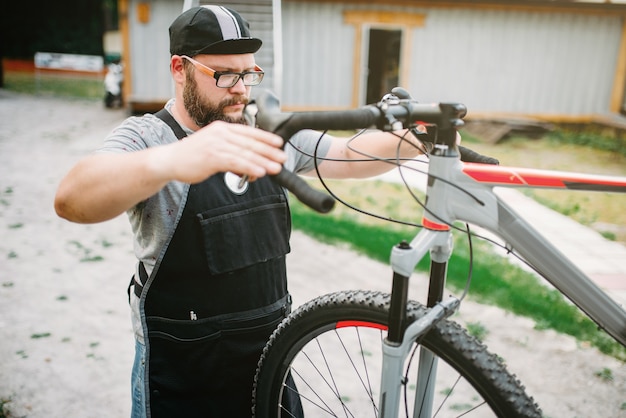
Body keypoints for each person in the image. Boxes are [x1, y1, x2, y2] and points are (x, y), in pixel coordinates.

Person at [54, 5, 426, 417]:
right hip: (185, 378)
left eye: (248, 74)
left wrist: (415, 140)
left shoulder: (263, 130)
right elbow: (72, 198)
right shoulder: (148, 136)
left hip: (270, 365)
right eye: (225, 75)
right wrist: (175, 160)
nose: (241, 89)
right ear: (180, 68)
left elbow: (345, 154)